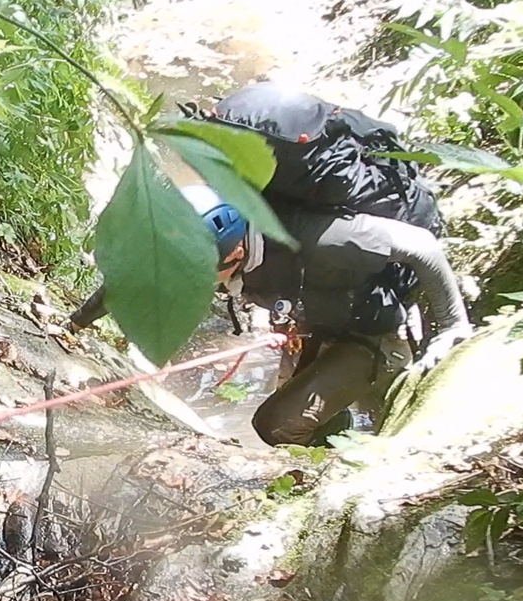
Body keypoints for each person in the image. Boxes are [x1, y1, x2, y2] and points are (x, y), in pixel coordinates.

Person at [69, 180, 472, 447]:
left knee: (276, 425)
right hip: (316, 322)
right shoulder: (208, 246)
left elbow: (422, 245)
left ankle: (325, 471)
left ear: (236, 252)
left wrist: (453, 327)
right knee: (299, 412)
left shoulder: (319, 238)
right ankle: (335, 431)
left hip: (374, 334)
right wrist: (76, 324)